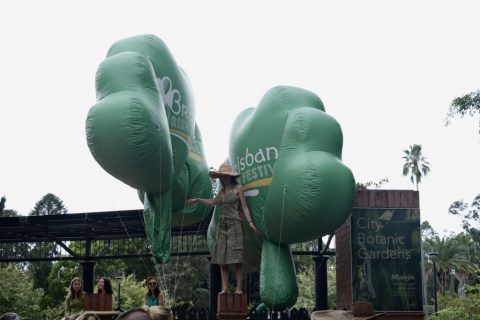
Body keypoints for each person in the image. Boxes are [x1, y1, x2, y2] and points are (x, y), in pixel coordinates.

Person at [186, 162, 259, 294]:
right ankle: (225, 288)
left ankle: (238, 288)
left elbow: (244, 207)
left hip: (235, 224)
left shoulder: (238, 188)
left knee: (237, 258)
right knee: (221, 259)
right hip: (222, 225)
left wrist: (250, 223)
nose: (223, 178)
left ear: (231, 176)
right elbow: (213, 202)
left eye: (225, 176)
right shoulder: (222, 191)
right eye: (221, 176)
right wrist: (197, 199)